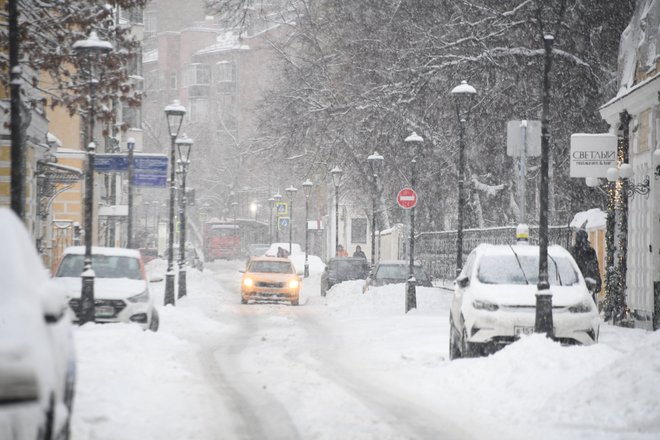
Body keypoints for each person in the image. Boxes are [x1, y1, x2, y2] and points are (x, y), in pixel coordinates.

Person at [570, 229, 601, 302]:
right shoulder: (590, 252)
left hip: (577, 286)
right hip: (589, 285)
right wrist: (597, 282)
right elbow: (595, 268)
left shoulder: (573, 252)